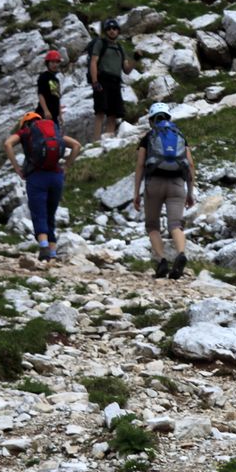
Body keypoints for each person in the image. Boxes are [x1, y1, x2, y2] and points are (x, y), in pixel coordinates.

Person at [3, 112, 81, 261]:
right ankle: (52, 253)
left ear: (25, 123)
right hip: (56, 177)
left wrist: (17, 167)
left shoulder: (26, 131)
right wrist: (67, 166)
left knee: (39, 213)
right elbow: (77, 145)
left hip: (36, 176)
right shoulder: (54, 132)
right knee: (50, 215)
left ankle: (43, 246)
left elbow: (7, 144)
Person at [133, 102, 196, 279]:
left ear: (152, 120)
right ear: (169, 117)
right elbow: (190, 164)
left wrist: (136, 193)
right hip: (177, 184)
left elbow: (140, 165)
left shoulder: (148, 137)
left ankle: (161, 261)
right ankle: (181, 254)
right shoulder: (180, 135)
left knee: (152, 226)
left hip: (154, 184)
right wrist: (190, 192)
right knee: (175, 225)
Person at [89, 18, 135, 141]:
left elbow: (126, 69)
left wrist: (135, 59)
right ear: (105, 31)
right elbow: (93, 62)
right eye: (109, 29)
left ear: (118, 31)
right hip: (102, 79)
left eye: (114, 28)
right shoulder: (101, 44)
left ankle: (109, 139)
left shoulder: (120, 48)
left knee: (113, 112)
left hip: (115, 81)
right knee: (100, 111)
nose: (112, 31)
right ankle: (96, 141)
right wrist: (94, 81)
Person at [37, 50, 63, 125]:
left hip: (54, 115)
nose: (55, 65)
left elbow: (57, 97)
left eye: (57, 62)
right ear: (47, 64)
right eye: (52, 62)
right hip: (44, 114)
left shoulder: (56, 80)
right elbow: (41, 94)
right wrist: (46, 110)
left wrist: (60, 114)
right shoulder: (43, 77)